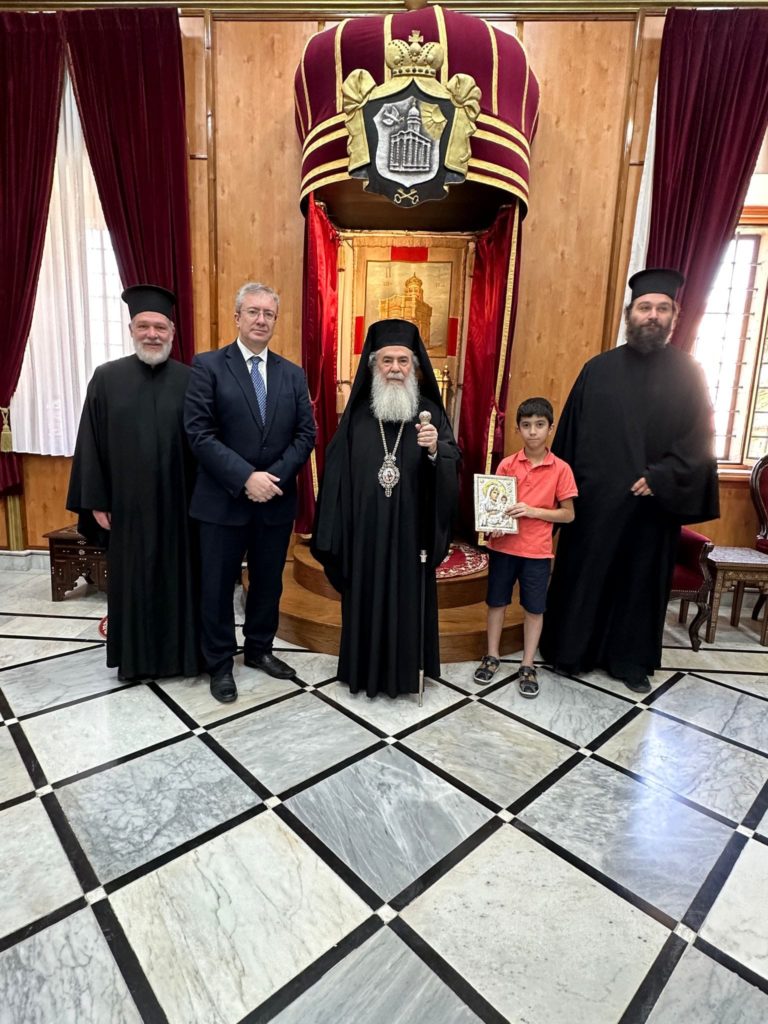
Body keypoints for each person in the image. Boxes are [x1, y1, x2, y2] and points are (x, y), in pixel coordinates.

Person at [539, 268, 719, 693]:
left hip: (651, 510)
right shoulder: (597, 370)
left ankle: (631, 662)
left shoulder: (689, 373)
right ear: (630, 313)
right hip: (595, 505)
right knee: (585, 577)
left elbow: (699, 441)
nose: (652, 315)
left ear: (674, 315)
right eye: (644, 307)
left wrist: (661, 476)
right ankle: (570, 652)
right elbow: (568, 440)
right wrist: (558, 497)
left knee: (639, 585)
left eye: (662, 308)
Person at [311, 319, 460, 699]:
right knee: (364, 598)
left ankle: (405, 674)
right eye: (387, 360)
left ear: (415, 367)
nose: (395, 368)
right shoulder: (357, 417)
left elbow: (451, 463)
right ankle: (362, 671)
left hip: (411, 536)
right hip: (365, 536)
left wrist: (435, 450)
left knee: (407, 602)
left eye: (403, 361)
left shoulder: (429, 414)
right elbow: (336, 477)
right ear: (373, 365)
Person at [184, 282, 315, 703]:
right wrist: (245, 478)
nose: (261, 320)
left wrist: (270, 479)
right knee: (217, 586)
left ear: (276, 320)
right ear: (237, 316)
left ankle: (260, 649)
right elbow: (199, 433)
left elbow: (305, 434)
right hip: (221, 501)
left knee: (268, 583)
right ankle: (220, 664)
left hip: (274, 501)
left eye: (268, 314)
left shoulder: (292, 374)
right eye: (253, 312)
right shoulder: (208, 366)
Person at [67, 284, 199, 680]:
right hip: (126, 508)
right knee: (133, 582)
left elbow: (205, 444)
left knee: (180, 581)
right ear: (131, 329)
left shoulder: (191, 380)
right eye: (144, 326)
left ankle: (183, 659)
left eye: (160, 327)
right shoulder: (107, 379)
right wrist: (96, 500)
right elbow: (90, 442)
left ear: (172, 332)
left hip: (180, 507)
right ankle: (136, 660)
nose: (152, 334)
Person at [474, 398, 577, 697]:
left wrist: (533, 511)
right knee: (496, 603)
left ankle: (528, 664)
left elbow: (568, 515)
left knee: (534, 608)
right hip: (503, 548)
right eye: (527, 425)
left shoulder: (561, 469)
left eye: (540, 425)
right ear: (518, 429)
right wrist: (493, 522)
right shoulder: (507, 464)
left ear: (550, 428)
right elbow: (494, 504)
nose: (533, 431)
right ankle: (492, 655)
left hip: (537, 553)